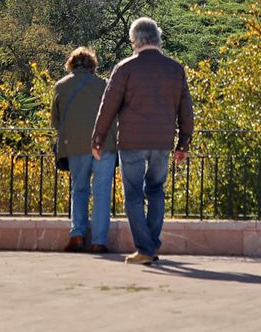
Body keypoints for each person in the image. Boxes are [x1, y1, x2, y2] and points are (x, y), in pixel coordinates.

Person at [92, 17, 194, 265]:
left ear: (135, 40)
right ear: (157, 38)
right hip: (162, 142)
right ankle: (151, 244)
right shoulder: (175, 69)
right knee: (157, 190)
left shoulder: (125, 68)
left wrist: (98, 138)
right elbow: (186, 110)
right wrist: (183, 144)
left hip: (132, 142)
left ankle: (145, 248)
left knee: (134, 194)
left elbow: (108, 107)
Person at [52, 47, 118, 253]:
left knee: (79, 190)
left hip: (75, 145)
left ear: (71, 64)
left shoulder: (61, 86)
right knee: (102, 192)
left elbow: (56, 121)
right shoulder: (104, 85)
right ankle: (99, 241)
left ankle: (77, 235)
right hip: (104, 145)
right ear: (92, 65)